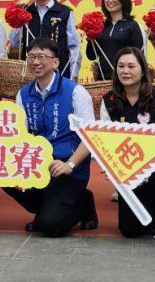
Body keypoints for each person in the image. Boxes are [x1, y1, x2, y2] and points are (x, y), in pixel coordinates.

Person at [6, 39, 98, 237]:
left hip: (67, 169)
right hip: (38, 166)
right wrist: (18, 169)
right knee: (0, 173)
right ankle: (47, 208)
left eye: (41, 57)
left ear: (55, 63)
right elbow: (21, 136)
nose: (35, 62)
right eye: (31, 57)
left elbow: (91, 137)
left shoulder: (75, 92)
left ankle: (82, 203)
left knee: (50, 227)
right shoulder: (23, 94)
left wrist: (70, 165)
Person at [99, 46, 155, 240]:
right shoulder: (108, 101)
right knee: (129, 230)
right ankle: (144, 212)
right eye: (121, 66)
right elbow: (106, 141)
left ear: (143, 70)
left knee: (150, 183)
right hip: (126, 168)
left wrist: (144, 169)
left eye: (131, 66)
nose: (125, 71)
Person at [9, 0, 79, 80]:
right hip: (30, 74)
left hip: (59, 73)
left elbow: (74, 47)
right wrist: (18, 15)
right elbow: (14, 42)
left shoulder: (64, 12)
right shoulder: (26, 11)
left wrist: (74, 75)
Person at [87, 0, 145, 82]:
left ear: (123, 0)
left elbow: (139, 56)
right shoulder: (100, 25)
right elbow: (91, 55)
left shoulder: (132, 25)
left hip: (126, 78)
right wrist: (90, 38)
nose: (110, 1)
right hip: (103, 80)